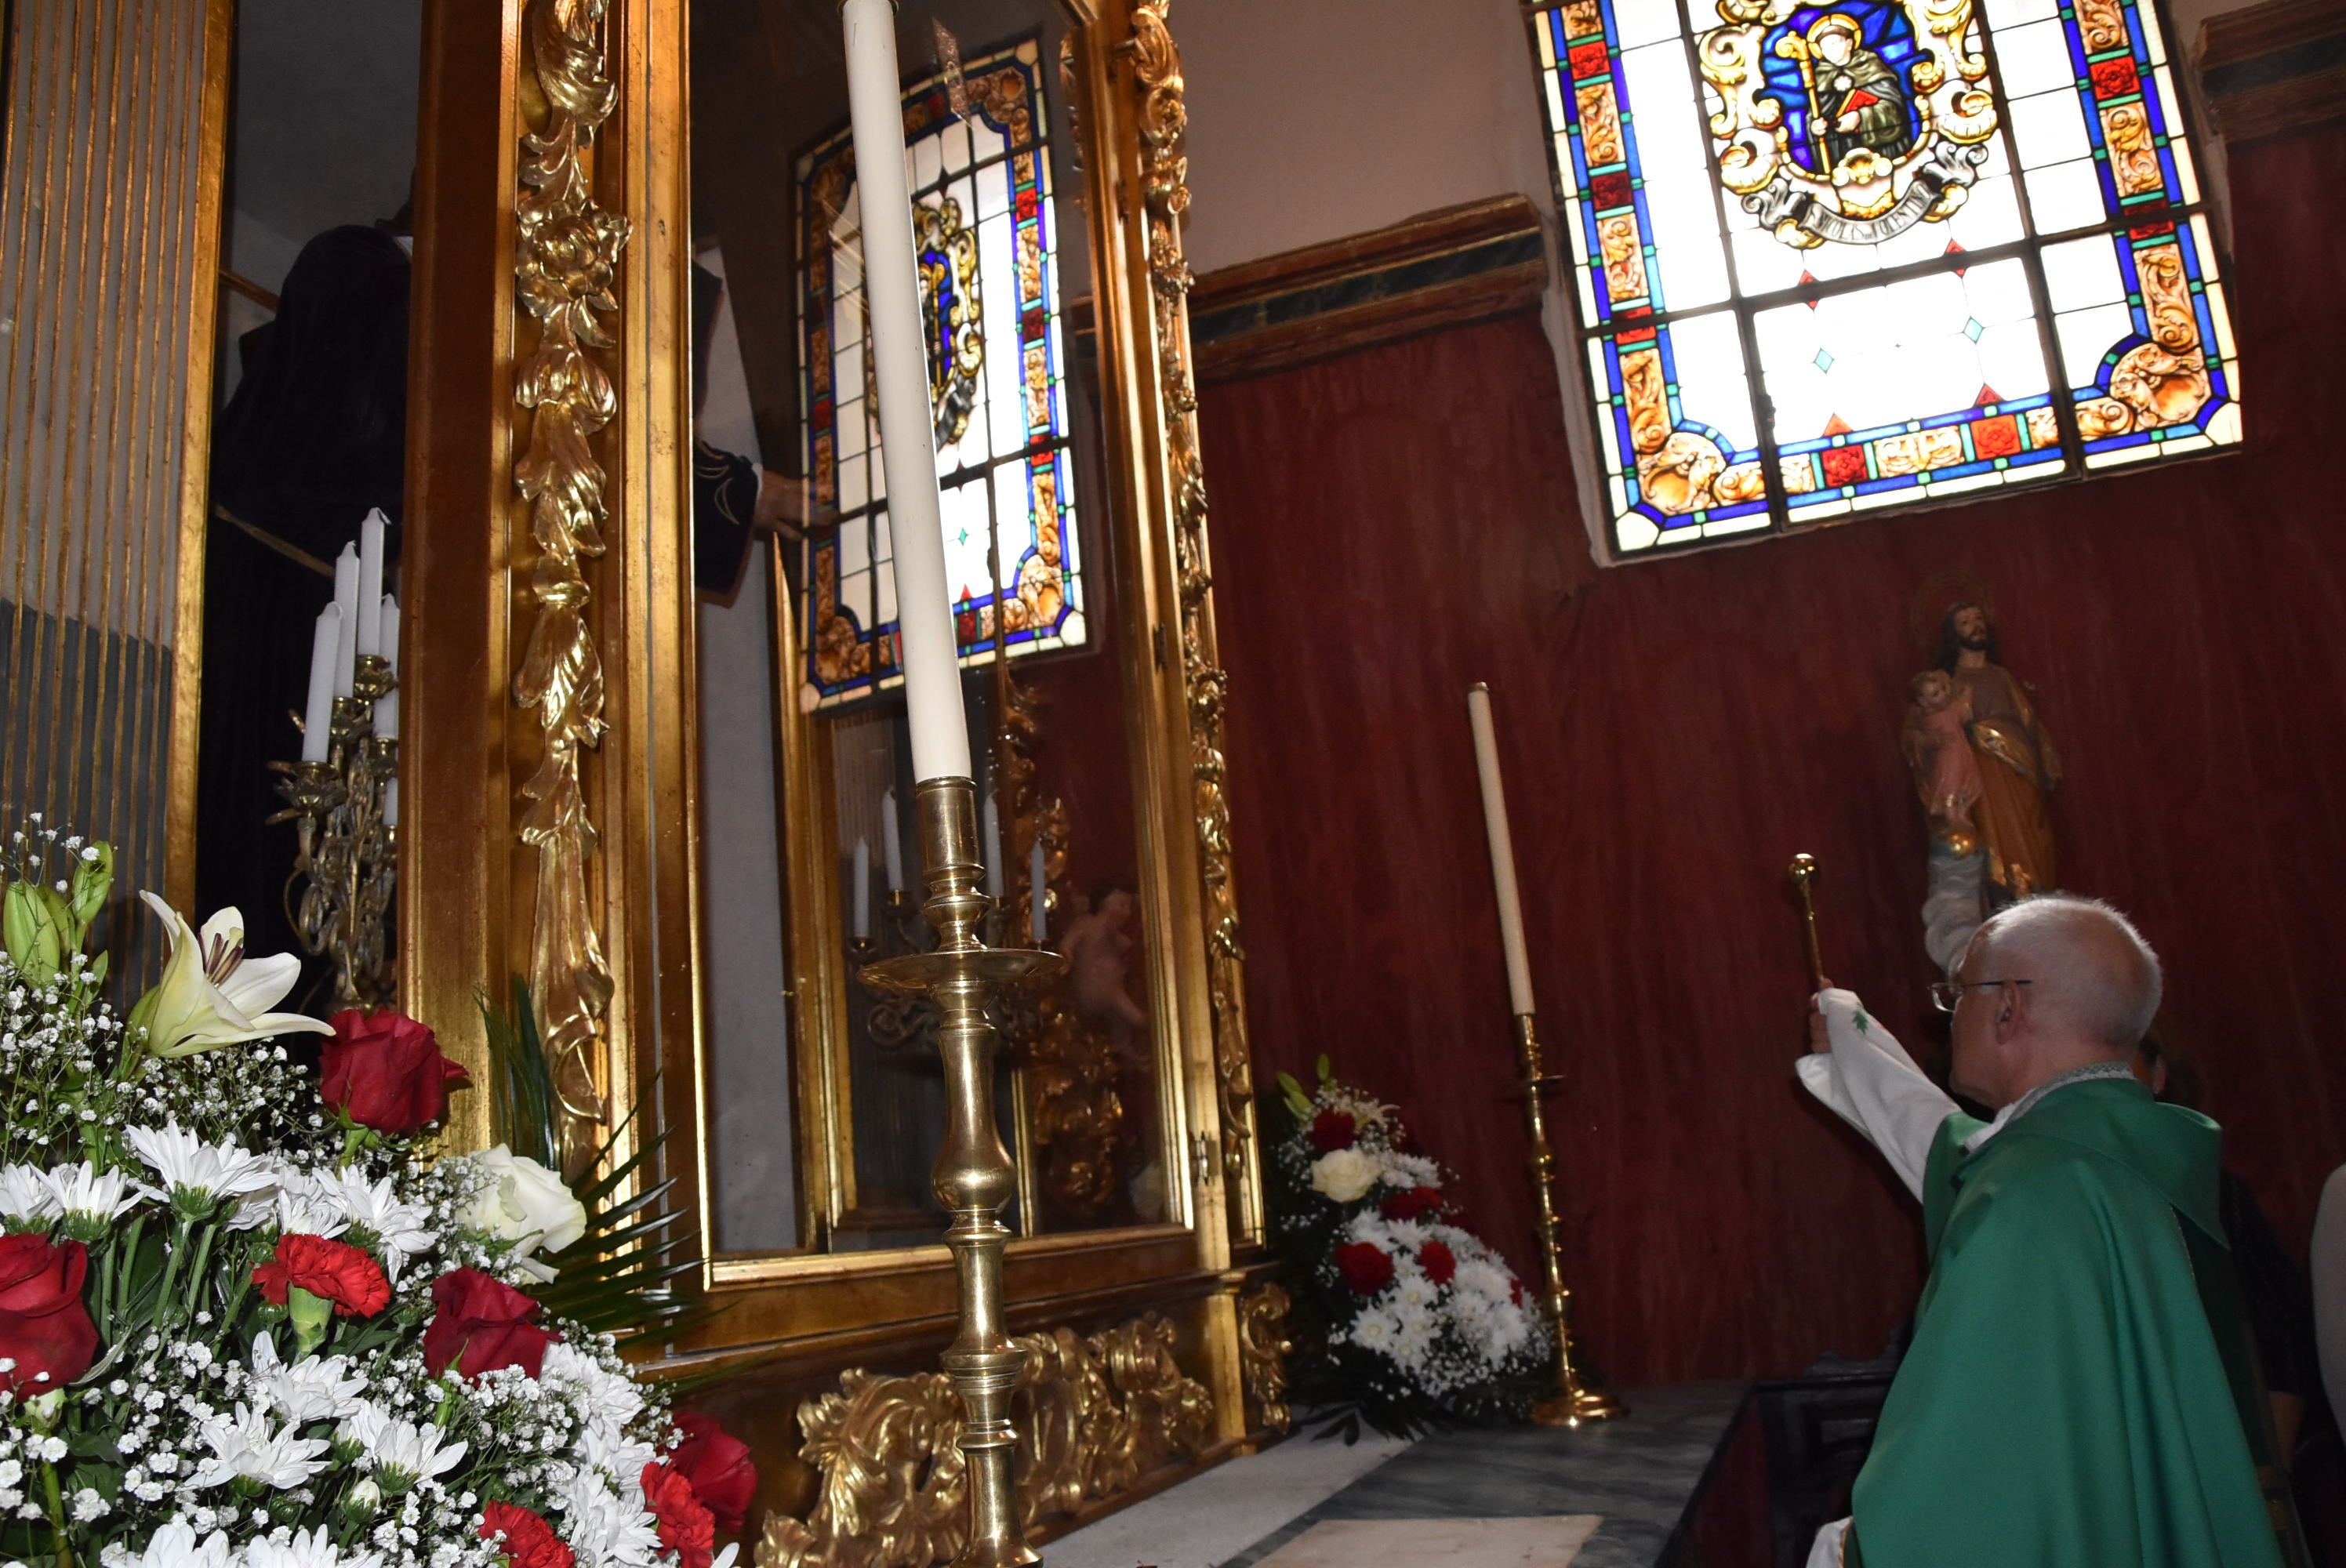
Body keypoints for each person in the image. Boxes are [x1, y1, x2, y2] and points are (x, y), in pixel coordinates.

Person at [1797, 895, 2302, 1566]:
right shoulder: (2144, 1157)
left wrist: (1850, 1549)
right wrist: (1858, 1057)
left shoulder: (2028, 1195)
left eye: (1959, 995)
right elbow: (1956, 1148)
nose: (1950, 1017)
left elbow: (1966, 1477)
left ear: (2009, 1007)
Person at [1807, 16, 1913, 171]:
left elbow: (1896, 107)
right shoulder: (1820, 77)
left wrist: (1862, 117)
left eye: (1834, 43)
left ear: (1849, 44)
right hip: (1840, 151)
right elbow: (1815, 115)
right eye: (1824, 47)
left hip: (1882, 149)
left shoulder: (1871, 66)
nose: (1830, 50)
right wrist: (1815, 127)